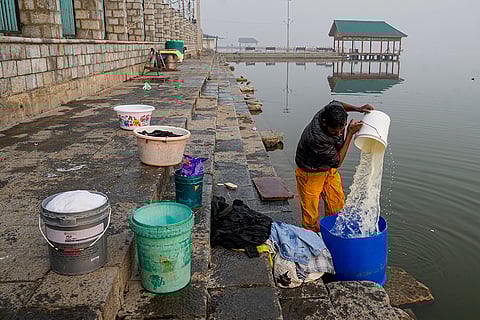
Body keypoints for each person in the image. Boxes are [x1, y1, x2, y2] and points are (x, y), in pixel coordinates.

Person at [295, 100, 374, 232]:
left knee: (336, 206)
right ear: (325, 123)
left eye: (341, 129)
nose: (338, 134)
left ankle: (331, 235)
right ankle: (312, 242)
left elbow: (338, 104)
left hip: (328, 170)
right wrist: (349, 133)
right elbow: (338, 162)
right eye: (334, 131)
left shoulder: (331, 110)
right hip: (310, 173)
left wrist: (358, 109)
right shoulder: (317, 138)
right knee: (311, 215)